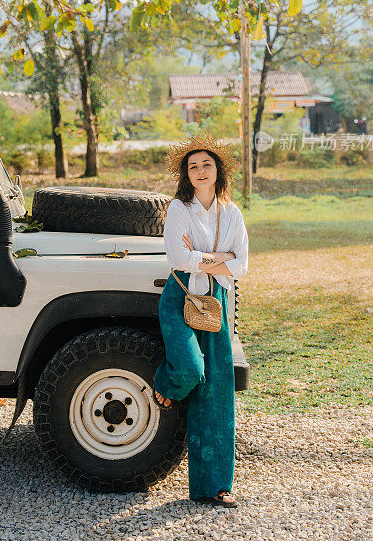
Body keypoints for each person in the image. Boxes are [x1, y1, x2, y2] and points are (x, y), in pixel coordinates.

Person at [152, 133, 249, 507]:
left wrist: (202, 256)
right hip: (180, 299)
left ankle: (215, 487)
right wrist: (217, 256)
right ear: (186, 175)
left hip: (215, 301)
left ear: (218, 170)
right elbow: (178, 258)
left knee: (217, 393)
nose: (200, 170)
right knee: (192, 370)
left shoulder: (233, 213)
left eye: (206, 164)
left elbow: (241, 266)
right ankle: (166, 383)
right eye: (193, 166)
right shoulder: (179, 209)